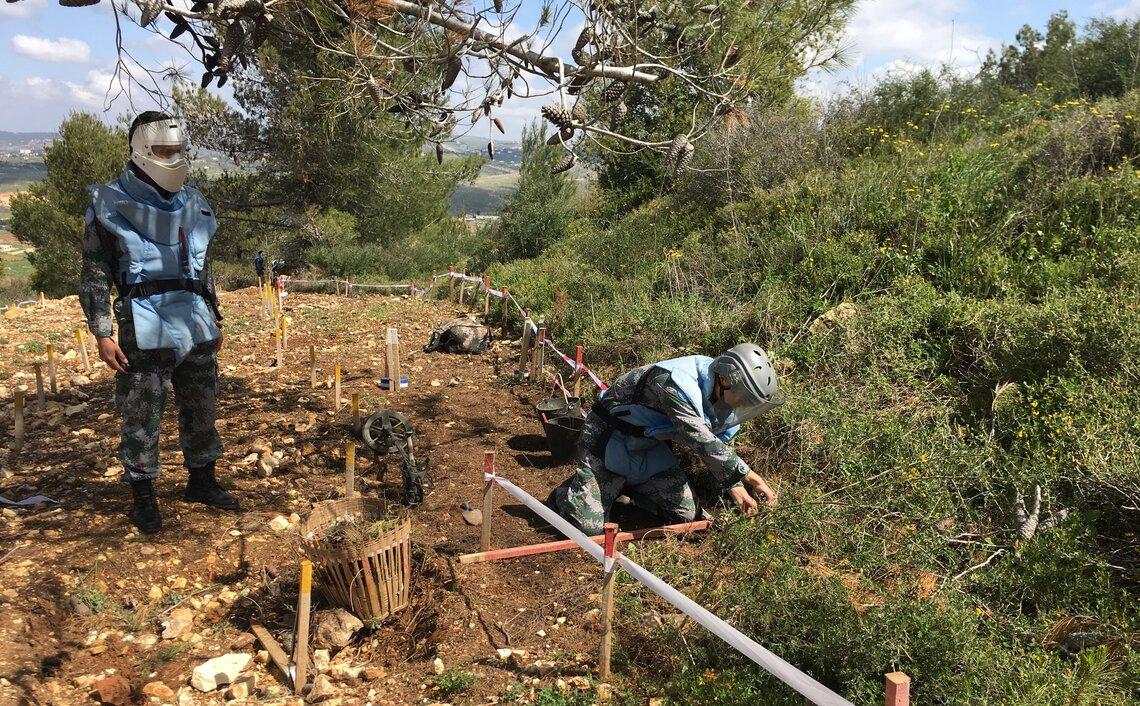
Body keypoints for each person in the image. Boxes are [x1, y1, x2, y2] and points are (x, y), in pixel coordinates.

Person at [79, 111, 238, 535]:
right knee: (142, 414)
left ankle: (202, 480)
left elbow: (202, 267)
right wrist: (102, 332)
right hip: (142, 322)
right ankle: (143, 495)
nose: (173, 158)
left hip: (195, 318)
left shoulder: (194, 201)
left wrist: (214, 315)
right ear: (141, 150)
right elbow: (94, 272)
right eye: (164, 150)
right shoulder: (108, 202)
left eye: (177, 149)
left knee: (202, 404)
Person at [550, 344, 782, 535]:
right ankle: (567, 494)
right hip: (609, 437)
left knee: (686, 516)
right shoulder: (675, 383)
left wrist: (736, 487)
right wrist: (754, 479)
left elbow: (718, 446)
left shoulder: (722, 400)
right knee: (587, 528)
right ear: (725, 378)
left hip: (649, 445)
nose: (742, 404)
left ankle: (620, 487)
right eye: (743, 396)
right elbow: (701, 440)